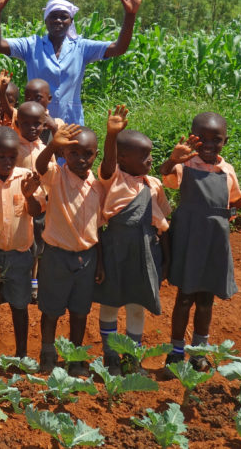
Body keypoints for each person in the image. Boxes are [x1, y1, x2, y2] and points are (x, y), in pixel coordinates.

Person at [160, 112, 241, 372]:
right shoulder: (186, 165)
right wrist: (172, 159)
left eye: (217, 139)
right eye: (202, 139)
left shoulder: (227, 171)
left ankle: (198, 353)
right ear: (192, 138)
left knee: (205, 301)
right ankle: (176, 352)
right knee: (184, 298)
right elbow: (165, 178)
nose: (210, 144)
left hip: (214, 241)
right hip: (189, 240)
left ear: (225, 140)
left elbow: (229, 203)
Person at [0, 0, 144, 125]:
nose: (58, 20)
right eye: (53, 16)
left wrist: (130, 15)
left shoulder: (81, 47)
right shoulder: (32, 45)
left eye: (64, 17)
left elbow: (118, 48)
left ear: (71, 22)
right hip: (35, 123)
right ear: (45, 20)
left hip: (70, 120)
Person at [95, 106, 172, 375]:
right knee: (110, 304)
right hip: (115, 249)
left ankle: (132, 358)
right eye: (144, 155)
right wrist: (111, 135)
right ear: (123, 159)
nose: (150, 159)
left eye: (150, 153)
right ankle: (110, 355)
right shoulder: (113, 179)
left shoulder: (153, 185)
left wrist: (165, 262)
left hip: (146, 250)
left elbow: (164, 224)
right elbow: (106, 164)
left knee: (137, 306)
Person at [35, 123, 106, 375]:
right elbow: (40, 166)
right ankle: (47, 351)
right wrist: (53, 144)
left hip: (86, 258)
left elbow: (97, 231)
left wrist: (98, 262)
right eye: (73, 153)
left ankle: (76, 357)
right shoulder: (57, 176)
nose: (81, 159)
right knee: (51, 310)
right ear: (64, 154)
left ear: (96, 155)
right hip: (56, 256)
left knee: (80, 312)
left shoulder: (98, 187)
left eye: (87, 153)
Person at [0, 127, 43, 362]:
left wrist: (29, 196)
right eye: (0, 156)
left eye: (12, 157)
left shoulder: (27, 179)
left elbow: (35, 212)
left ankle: (22, 352)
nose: (7, 161)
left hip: (20, 255)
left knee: (20, 305)